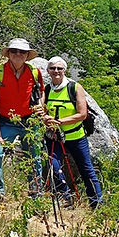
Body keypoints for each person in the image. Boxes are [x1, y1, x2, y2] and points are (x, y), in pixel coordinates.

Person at [41, 56, 103, 208]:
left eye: (59, 68)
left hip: (76, 137)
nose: (56, 71)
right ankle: (65, 197)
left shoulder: (74, 88)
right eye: (53, 68)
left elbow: (82, 114)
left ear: (65, 70)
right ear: (48, 70)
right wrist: (46, 118)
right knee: (53, 166)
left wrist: (61, 122)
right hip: (54, 137)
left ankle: (97, 204)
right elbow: (40, 110)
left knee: (87, 170)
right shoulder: (47, 89)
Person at [0, 38, 45, 193]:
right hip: (6, 122)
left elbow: (40, 93)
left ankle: (36, 195)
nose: (18, 54)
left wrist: (40, 106)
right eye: (14, 51)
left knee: (35, 158)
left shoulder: (34, 72)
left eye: (22, 52)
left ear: (27, 55)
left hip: (30, 122)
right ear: (8, 54)